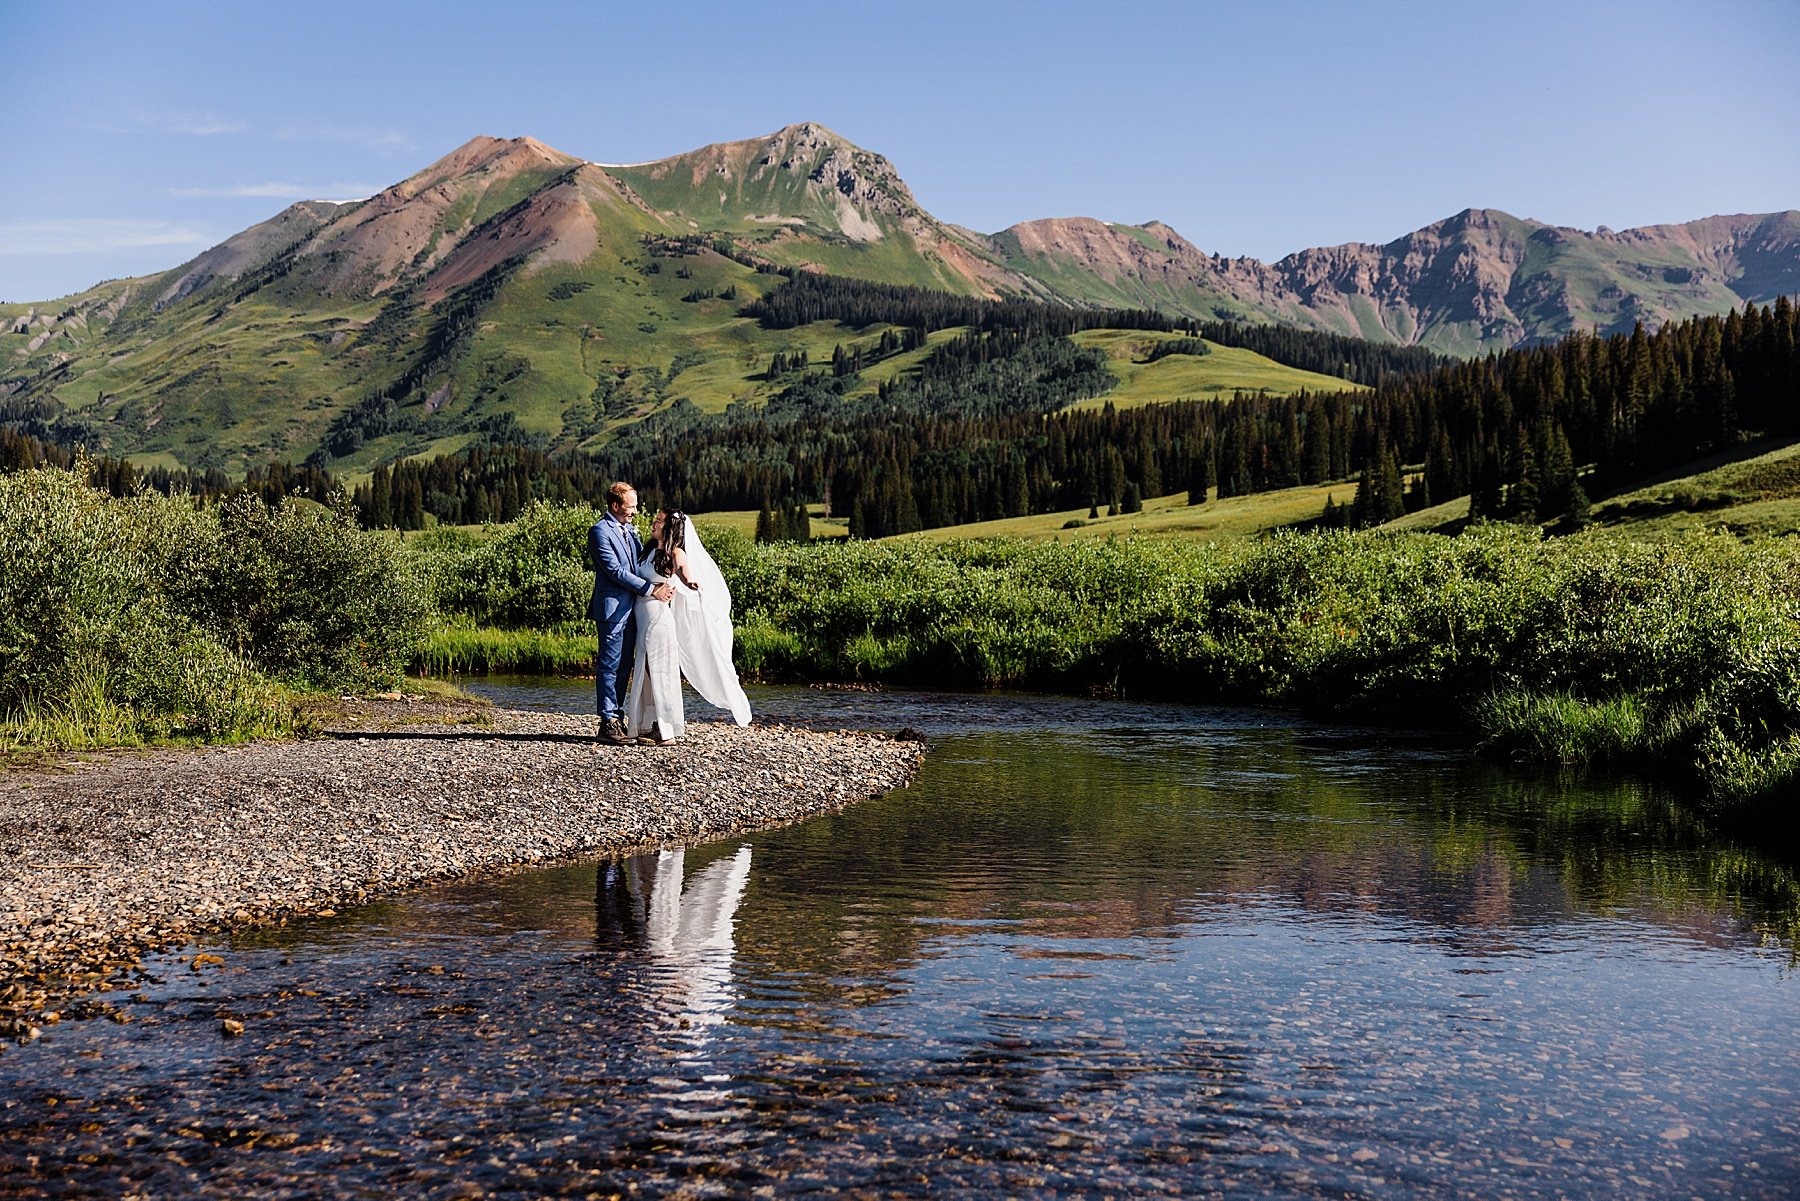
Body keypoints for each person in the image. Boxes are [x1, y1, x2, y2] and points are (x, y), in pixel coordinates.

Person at [624, 508, 752, 744]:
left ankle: (665, 729)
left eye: (660, 521)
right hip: (642, 618)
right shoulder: (649, 550)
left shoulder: (676, 551)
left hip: (658, 620)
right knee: (647, 671)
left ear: (670, 527)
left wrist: (688, 580)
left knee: (660, 672)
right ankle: (646, 723)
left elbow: (683, 568)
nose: (654, 523)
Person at [589, 483, 673, 744]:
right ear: (616, 505)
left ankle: (619, 717)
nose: (636, 511)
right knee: (609, 665)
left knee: (625, 666)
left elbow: (639, 563)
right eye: (631, 506)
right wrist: (651, 589)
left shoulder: (629, 531)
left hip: (634, 611)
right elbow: (615, 571)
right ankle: (608, 722)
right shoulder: (599, 532)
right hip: (612, 609)